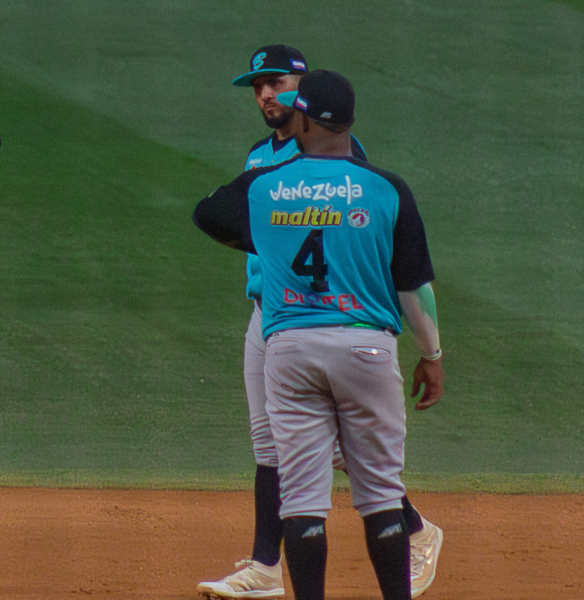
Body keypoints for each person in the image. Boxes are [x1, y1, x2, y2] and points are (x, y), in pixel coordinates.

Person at [196, 47, 442, 600]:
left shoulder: (342, 157)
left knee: (329, 459)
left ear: (303, 97)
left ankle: (417, 529)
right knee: (270, 444)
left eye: (276, 84)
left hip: (321, 322)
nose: (265, 95)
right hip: (274, 315)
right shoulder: (262, 153)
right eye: (256, 85)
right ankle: (264, 566)